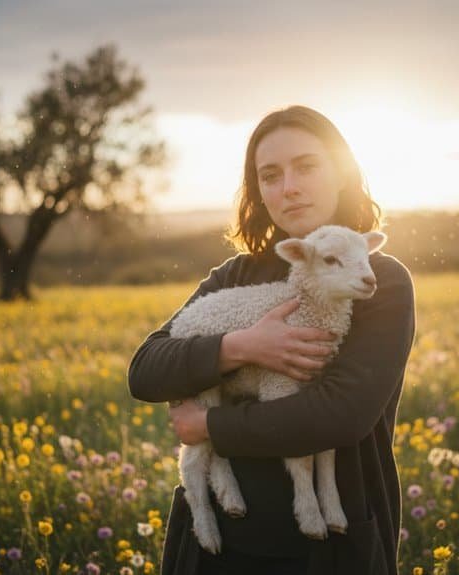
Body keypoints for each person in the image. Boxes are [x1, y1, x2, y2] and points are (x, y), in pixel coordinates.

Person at [127, 105, 416, 575]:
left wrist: (210, 426)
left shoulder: (379, 281)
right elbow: (146, 370)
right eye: (270, 175)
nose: (290, 187)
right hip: (218, 552)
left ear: (342, 173)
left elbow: (341, 414)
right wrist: (241, 347)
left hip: (328, 551)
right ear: (258, 191)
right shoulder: (236, 275)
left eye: (306, 166)